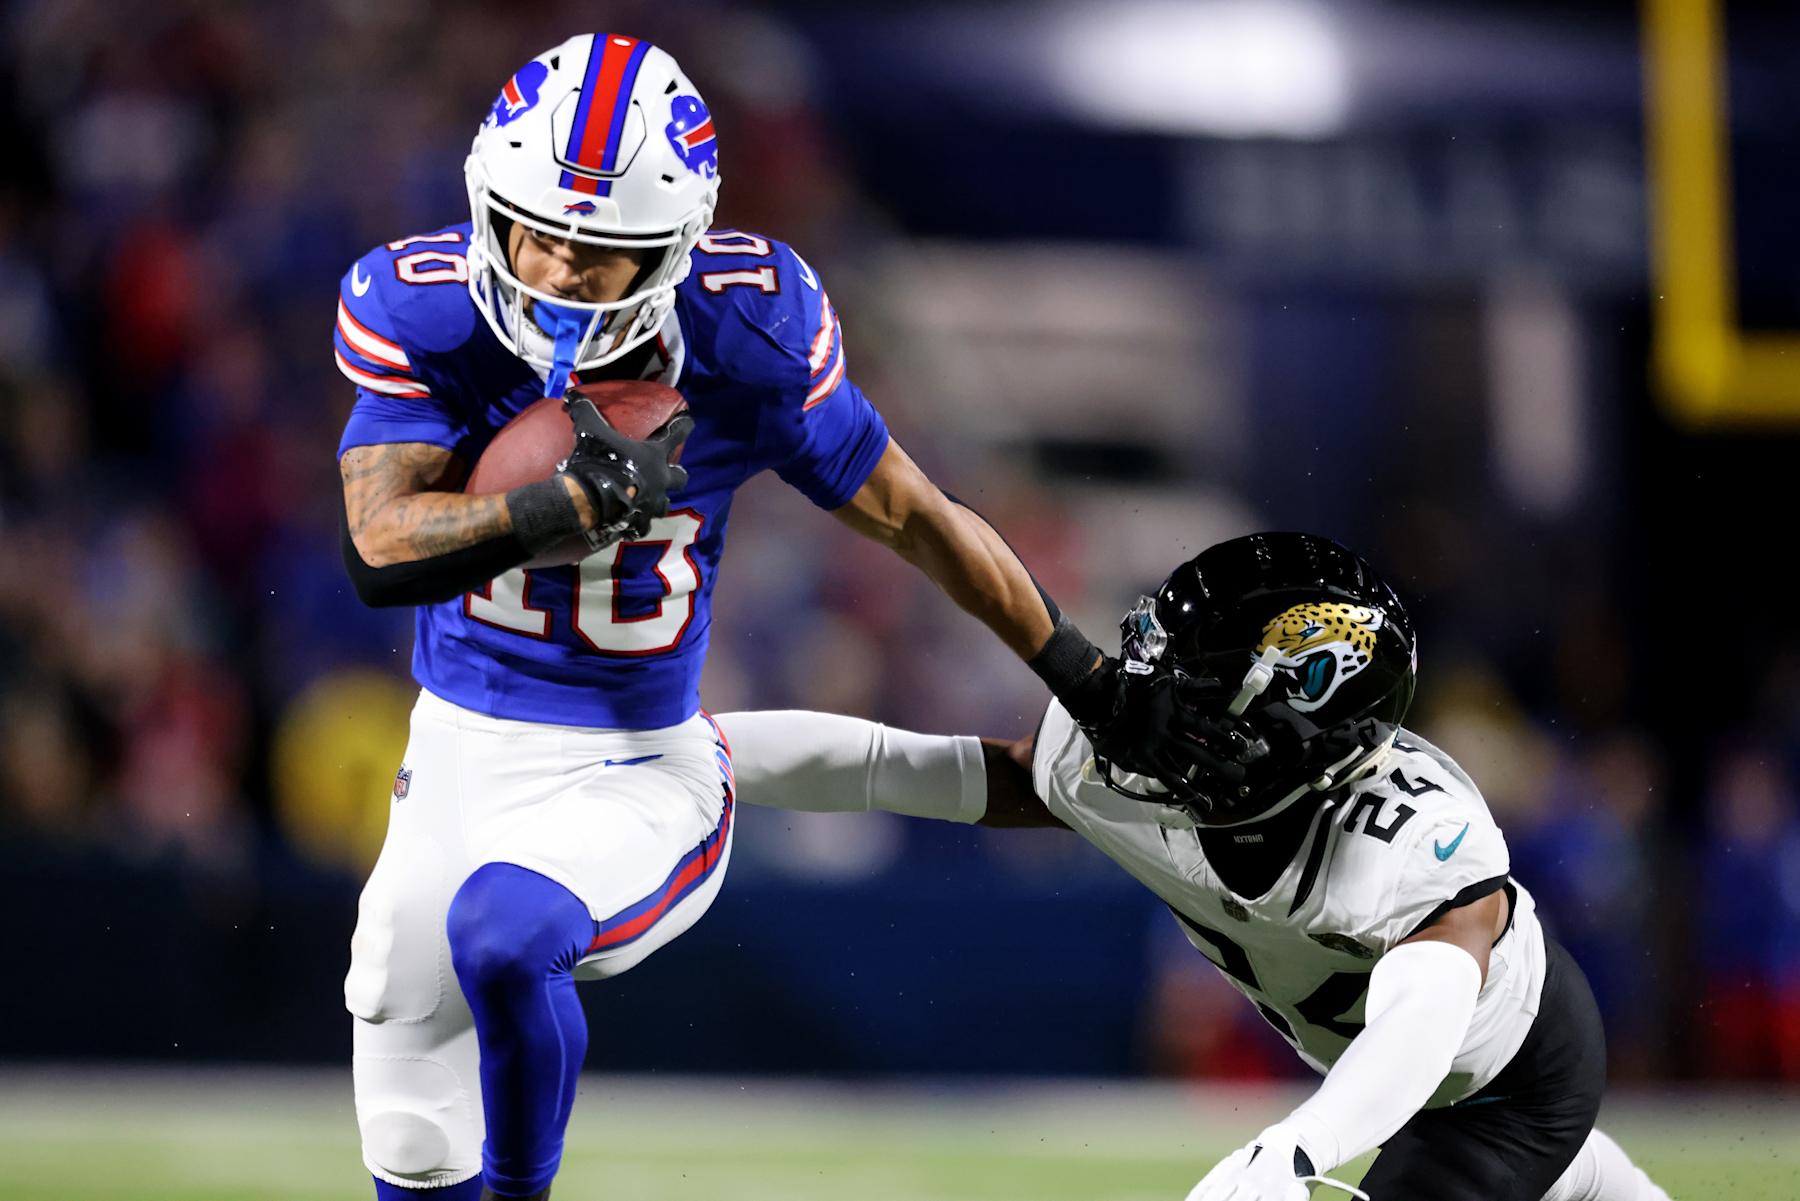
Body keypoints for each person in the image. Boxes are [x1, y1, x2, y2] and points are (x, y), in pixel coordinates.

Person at [334, 33, 1137, 1201]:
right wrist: (547, 508)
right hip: (453, 754)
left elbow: (913, 512)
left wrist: (1079, 668)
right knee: (408, 1128)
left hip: (634, 765)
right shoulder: (427, 311)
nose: (551, 268)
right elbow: (377, 546)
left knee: (505, 933)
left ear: (667, 250)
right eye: (532, 230)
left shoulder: (744, 337)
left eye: (596, 251)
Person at [718, 532, 1672, 1201]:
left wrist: (1299, 1148)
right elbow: (904, 767)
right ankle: (1583, 1178)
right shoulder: (1130, 773)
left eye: (1195, 685)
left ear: (1298, 726)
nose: (1149, 696)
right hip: (1359, 1060)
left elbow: (1421, 1026)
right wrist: (691, 753)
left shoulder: (1407, 835)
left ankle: (1568, 1164)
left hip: (1499, 1084)